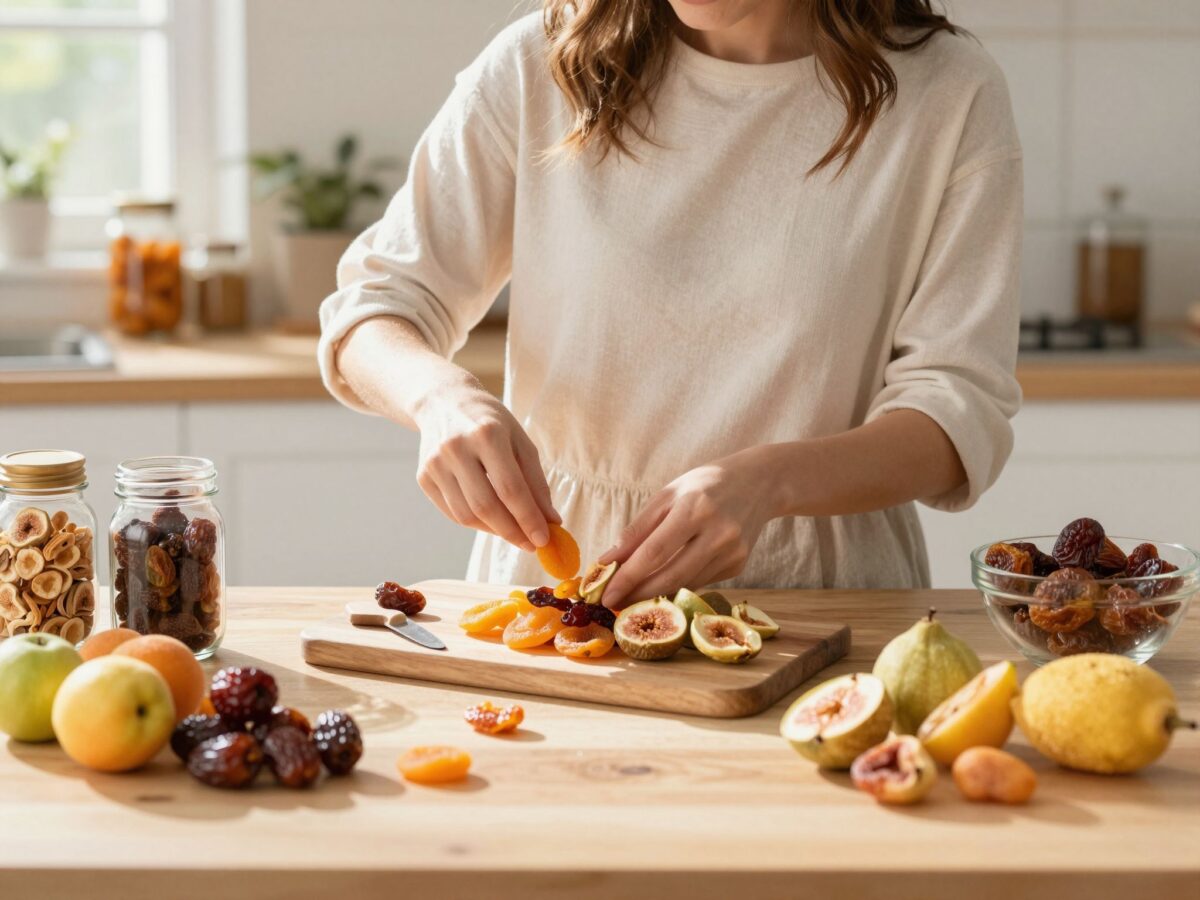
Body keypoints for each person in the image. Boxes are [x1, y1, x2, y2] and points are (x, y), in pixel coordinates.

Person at [318, 0, 1022, 609]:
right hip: (556, 591)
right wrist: (440, 399)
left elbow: (956, 408)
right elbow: (374, 309)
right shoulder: (538, 64)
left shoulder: (948, 91)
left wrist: (770, 482)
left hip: (826, 598)